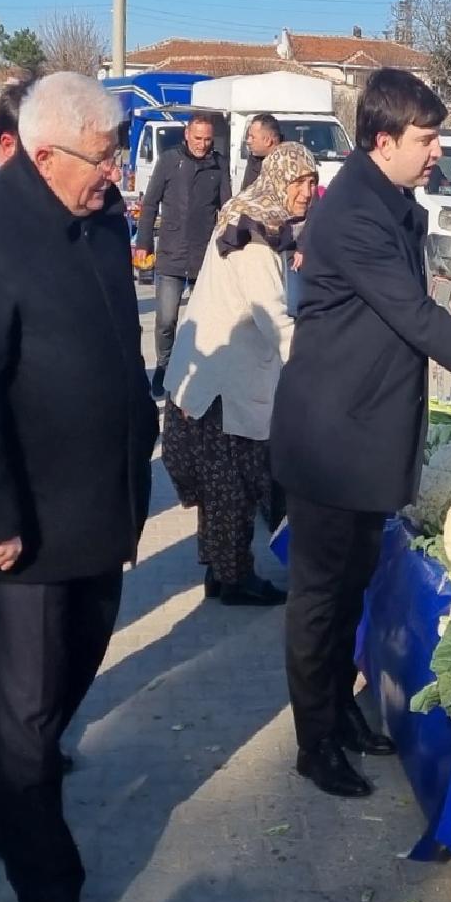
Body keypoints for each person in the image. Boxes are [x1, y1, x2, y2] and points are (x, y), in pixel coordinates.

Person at [0, 72, 155, 902]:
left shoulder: (99, 219)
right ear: (49, 152)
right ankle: (49, 891)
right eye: (106, 159)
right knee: (26, 716)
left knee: (70, 674)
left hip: (100, 505)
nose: (118, 176)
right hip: (17, 519)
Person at [271, 70, 451, 799]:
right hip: (330, 435)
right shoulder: (355, 214)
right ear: (381, 140)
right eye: (426, 140)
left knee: (353, 586)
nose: (437, 153)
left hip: (365, 434)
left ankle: (340, 713)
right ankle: (314, 741)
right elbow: (415, 318)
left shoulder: (392, 201)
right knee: (320, 598)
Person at [162, 141, 317, 606]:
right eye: (299, 181)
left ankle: (221, 569)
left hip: (218, 375)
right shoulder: (252, 234)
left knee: (220, 485)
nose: (308, 191)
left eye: (312, 181)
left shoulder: (258, 218)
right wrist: (312, 368)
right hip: (223, 382)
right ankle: (234, 579)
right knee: (231, 485)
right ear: (278, 179)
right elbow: (270, 313)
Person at [138, 112, 228, 398]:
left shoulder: (218, 165)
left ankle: (199, 371)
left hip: (203, 255)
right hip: (171, 253)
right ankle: (164, 366)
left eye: (207, 139)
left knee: (203, 320)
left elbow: (227, 209)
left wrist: (229, 246)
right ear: (187, 134)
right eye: (198, 138)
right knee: (166, 320)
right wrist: (143, 243)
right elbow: (150, 203)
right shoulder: (169, 161)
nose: (202, 144)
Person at [240, 112, 282, 191]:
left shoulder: (288, 163)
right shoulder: (254, 161)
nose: (248, 141)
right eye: (248, 136)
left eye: (252, 137)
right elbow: (245, 194)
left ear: (267, 141)